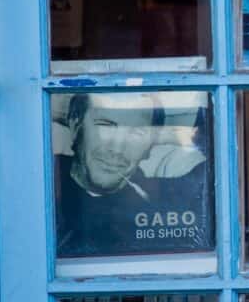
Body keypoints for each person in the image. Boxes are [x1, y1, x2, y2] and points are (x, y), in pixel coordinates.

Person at [55, 92, 211, 258]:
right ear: (74, 124)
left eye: (137, 133)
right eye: (105, 125)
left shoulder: (165, 199)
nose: (116, 148)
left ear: (151, 146)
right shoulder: (42, 187)